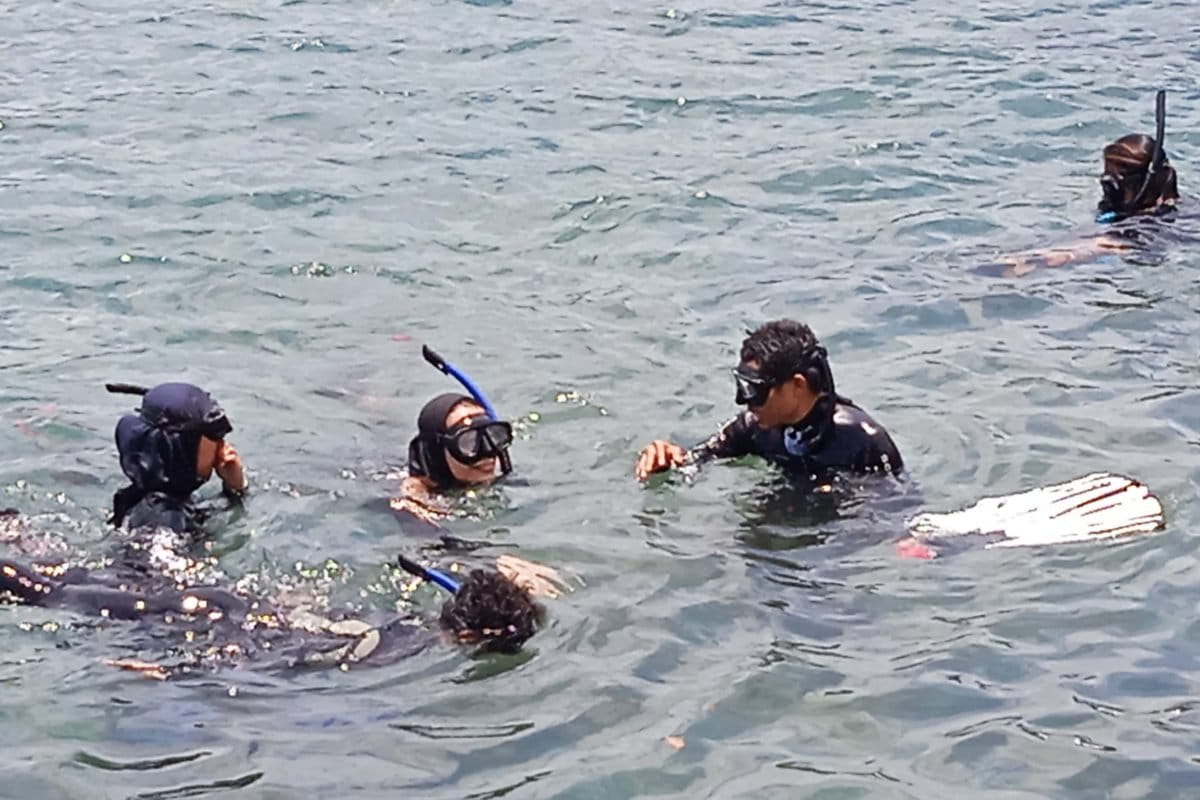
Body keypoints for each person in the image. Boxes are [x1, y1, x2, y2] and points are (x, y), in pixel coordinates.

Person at [0, 544, 547, 679]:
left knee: (62, 585)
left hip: (227, 601)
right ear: (477, 639)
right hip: (210, 622)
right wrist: (173, 671)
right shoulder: (403, 655)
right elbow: (280, 673)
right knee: (49, 596)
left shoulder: (402, 621)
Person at [635, 319, 903, 484]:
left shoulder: (863, 442)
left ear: (797, 385)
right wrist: (670, 457)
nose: (744, 401)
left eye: (755, 390)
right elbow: (701, 457)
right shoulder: (754, 427)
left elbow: (896, 505)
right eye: (742, 386)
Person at [1000, 90, 1190, 276]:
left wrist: (1039, 260)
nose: (1108, 185)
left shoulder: (1159, 223)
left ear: (1148, 181)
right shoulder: (1125, 214)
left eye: (1119, 178)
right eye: (1107, 175)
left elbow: (1104, 245)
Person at [107, 381, 248, 535]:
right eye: (214, 436)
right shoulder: (168, 526)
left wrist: (234, 486)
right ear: (185, 448)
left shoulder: (147, 495)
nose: (222, 444)